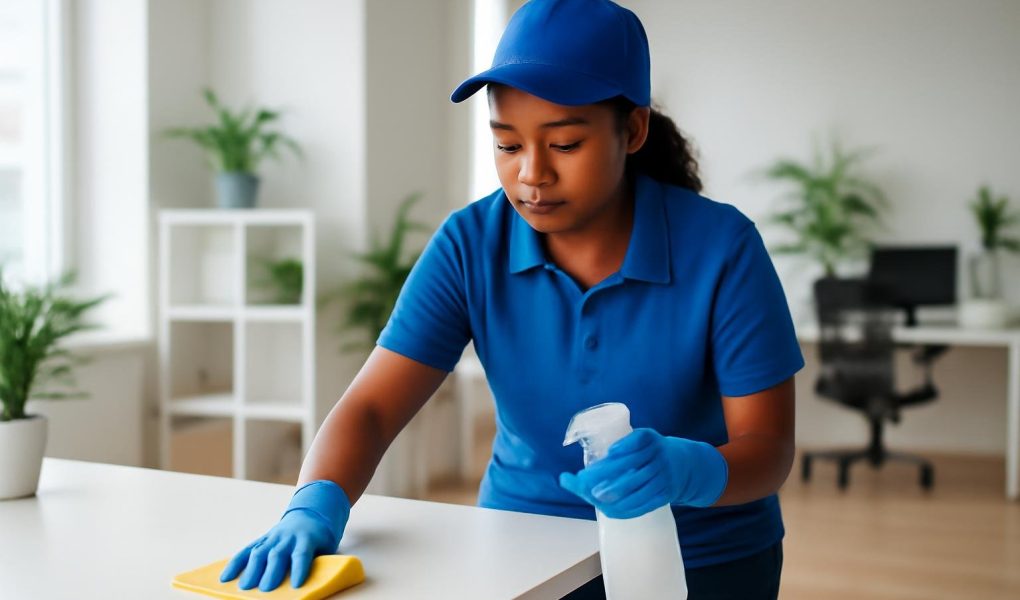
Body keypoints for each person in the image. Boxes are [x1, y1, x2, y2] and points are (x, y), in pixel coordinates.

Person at [218, 1, 803, 598]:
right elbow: (371, 407)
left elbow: (769, 447)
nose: (532, 174)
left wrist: (692, 471)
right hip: (523, 552)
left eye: (566, 145)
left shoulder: (722, 247)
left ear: (632, 130)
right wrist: (314, 505)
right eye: (507, 145)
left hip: (706, 558)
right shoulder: (470, 245)